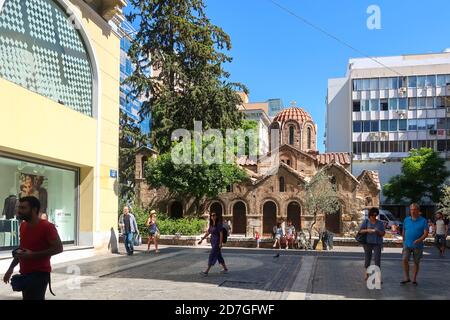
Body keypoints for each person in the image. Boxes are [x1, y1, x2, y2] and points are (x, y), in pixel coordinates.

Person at [2, 196, 63, 300]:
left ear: (34, 209)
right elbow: (22, 249)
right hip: (25, 273)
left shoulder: (47, 227)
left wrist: (32, 255)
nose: (19, 211)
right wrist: (10, 268)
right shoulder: (23, 226)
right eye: (19, 208)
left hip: (39, 274)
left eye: (23, 208)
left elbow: (58, 248)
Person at [401, 203, 429, 286]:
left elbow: (426, 233)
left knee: (416, 262)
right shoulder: (406, 219)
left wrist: (419, 240)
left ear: (418, 210)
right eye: (411, 210)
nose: (412, 211)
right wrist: (403, 241)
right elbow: (404, 231)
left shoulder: (423, 220)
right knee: (404, 260)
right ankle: (406, 278)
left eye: (414, 210)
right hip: (407, 244)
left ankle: (414, 279)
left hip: (418, 245)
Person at [359, 207, 385, 281]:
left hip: (377, 243)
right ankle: (366, 274)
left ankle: (378, 277)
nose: (374, 217)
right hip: (367, 243)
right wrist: (367, 230)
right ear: (369, 215)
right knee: (367, 259)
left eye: (375, 215)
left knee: (377, 260)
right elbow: (360, 231)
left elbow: (383, 233)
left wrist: (377, 231)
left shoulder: (380, 223)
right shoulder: (366, 222)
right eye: (372, 215)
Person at [198, 211, 228, 276]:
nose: (212, 216)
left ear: (216, 216)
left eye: (214, 215)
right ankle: (225, 269)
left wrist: (220, 243)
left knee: (212, 255)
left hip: (217, 242)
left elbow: (221, 234)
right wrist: (202, 239)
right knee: (219, 256)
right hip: (213, 242)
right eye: (211, 215)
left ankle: (206, 271)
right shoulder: (212, 225)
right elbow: (208, 233)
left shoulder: (218, 224)